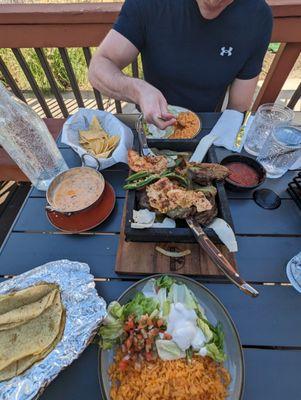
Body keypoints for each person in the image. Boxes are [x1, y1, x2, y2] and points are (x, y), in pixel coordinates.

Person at [89, 0, 273, 130]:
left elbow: (237, 109)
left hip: (206, 126)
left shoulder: (257, 16)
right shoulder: (149, 4)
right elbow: (99, 67)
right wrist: (138, 90)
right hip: (151, 124)